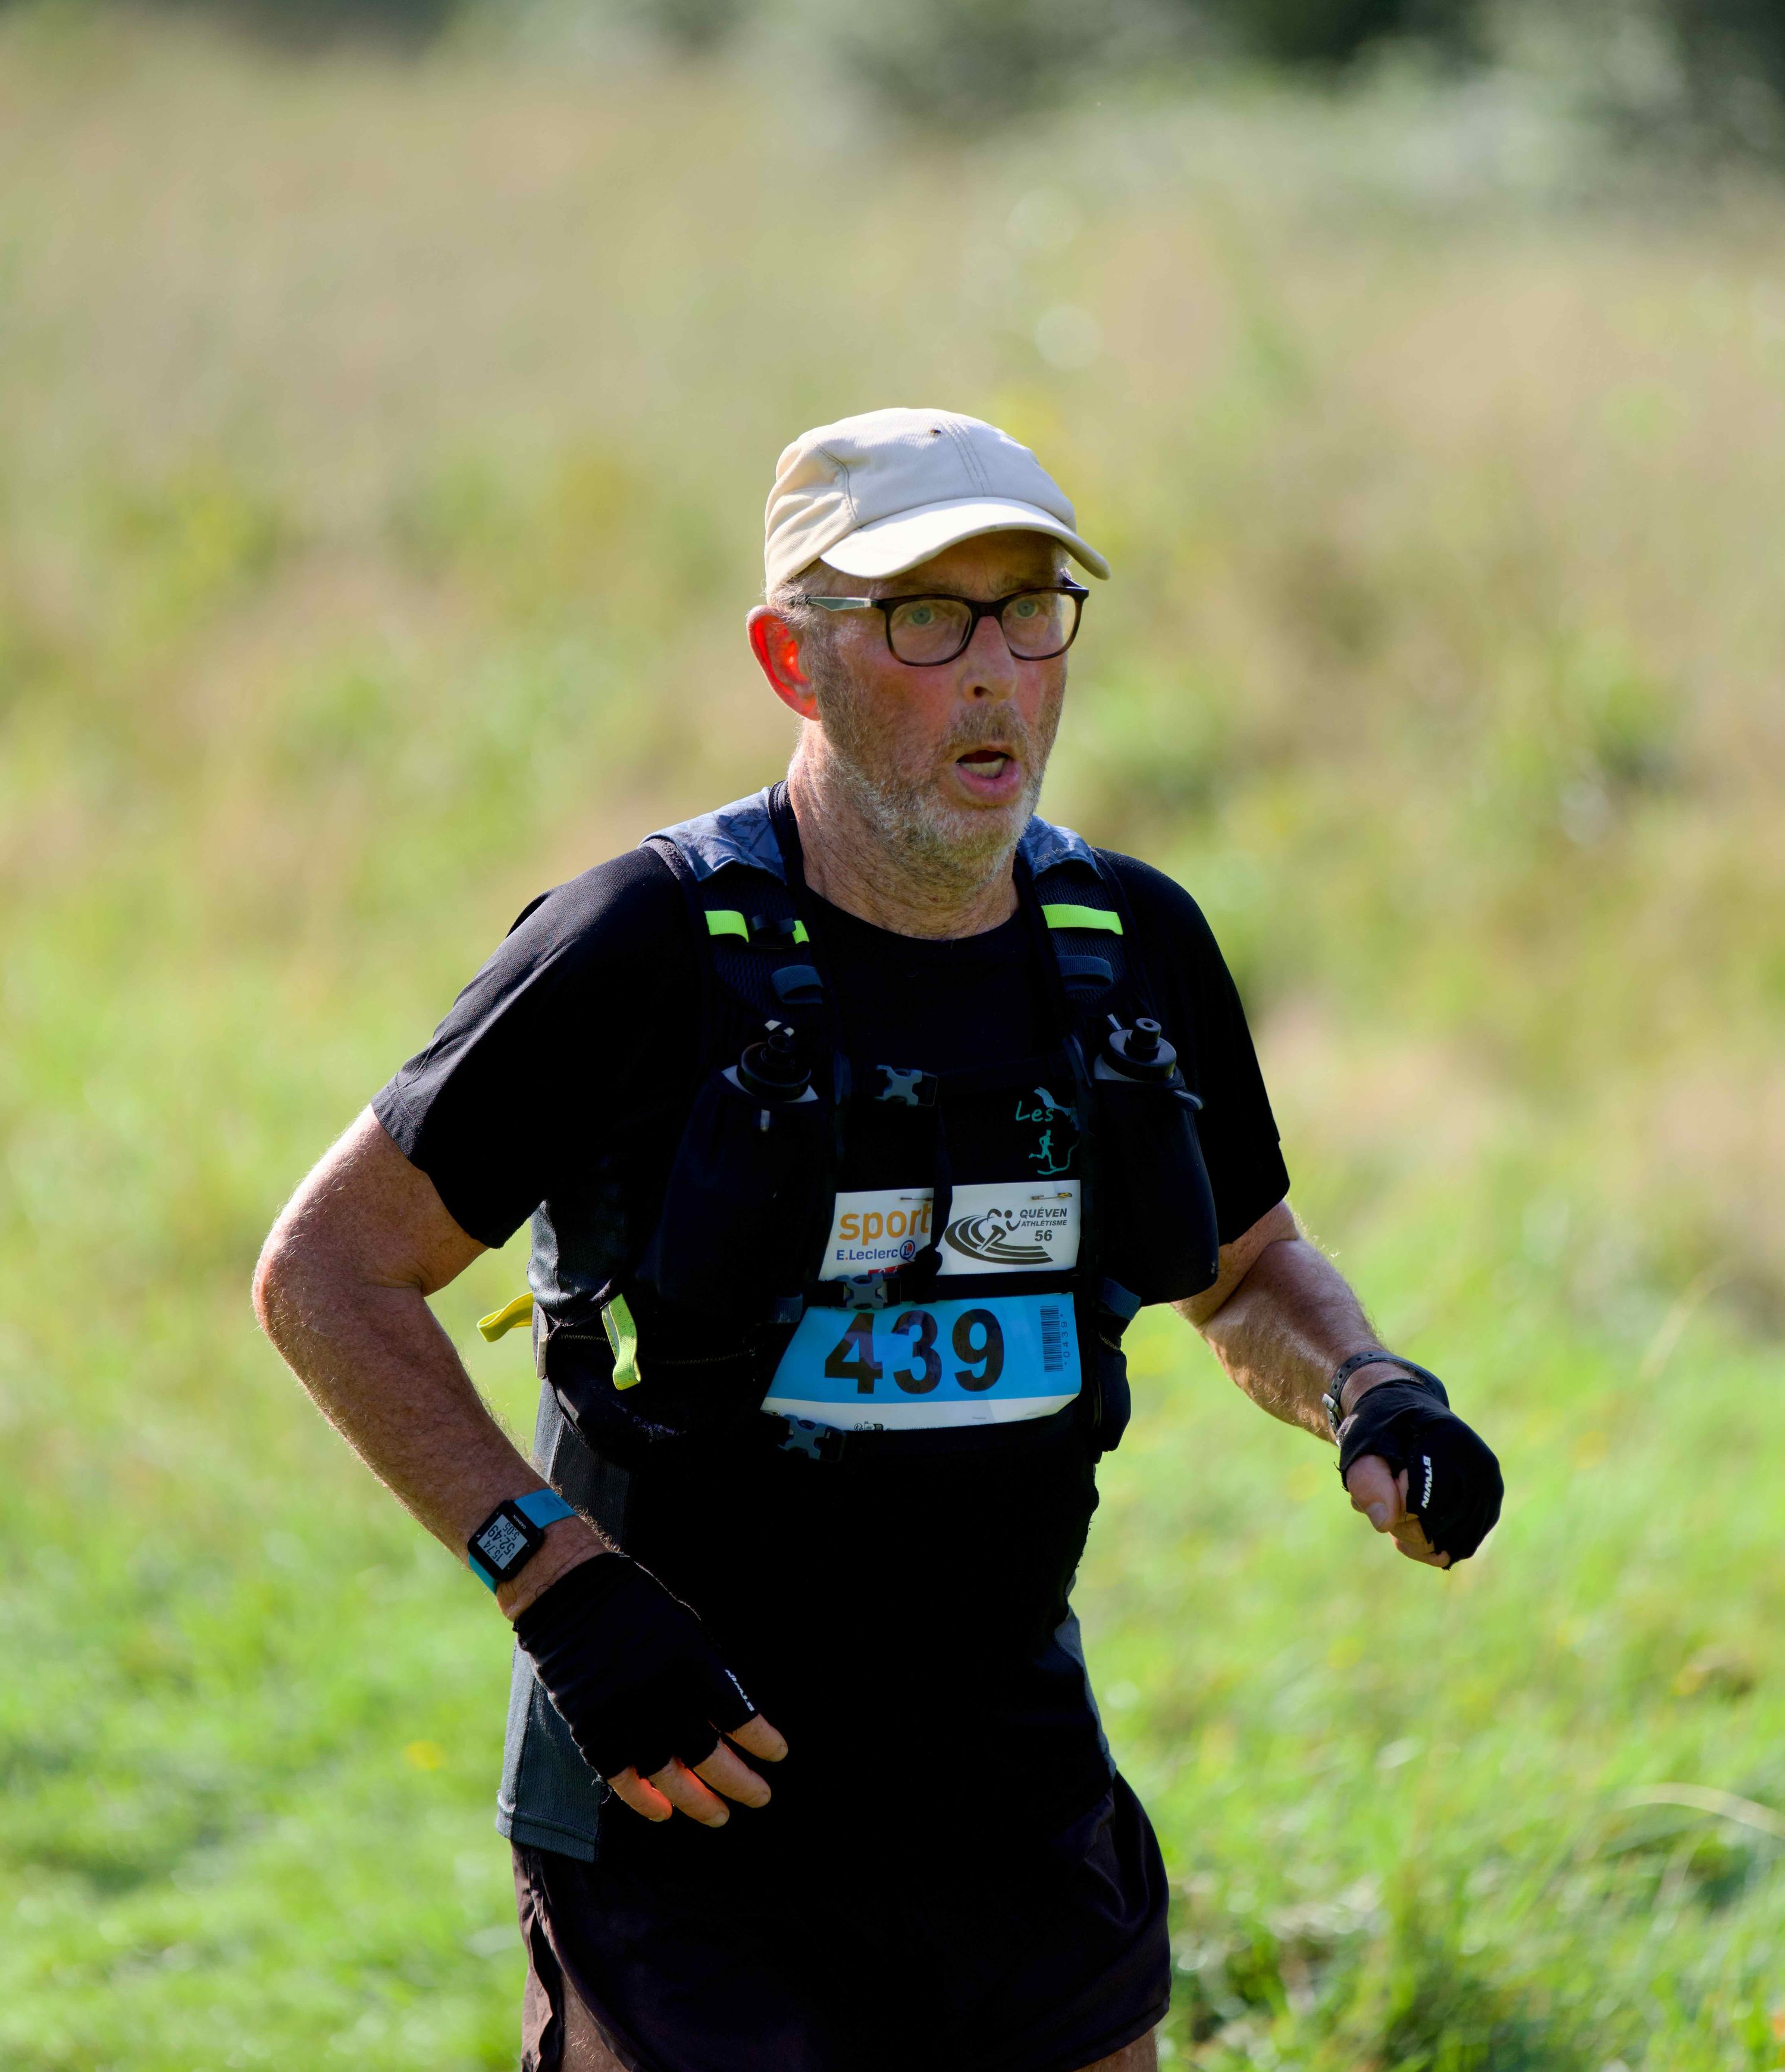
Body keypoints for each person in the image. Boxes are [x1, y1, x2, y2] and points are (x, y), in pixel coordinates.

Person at [254, 406, 1503, 2072]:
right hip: (686, 1798)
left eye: (1030, 611)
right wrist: (556, 1586)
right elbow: (327, 1271)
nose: (995, 674)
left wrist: (1370, 1390)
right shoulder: (643, 946)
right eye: (925, 618)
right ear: (793, 658)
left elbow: (1246, 1266)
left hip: (1017, 1804)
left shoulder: (1130, 942)